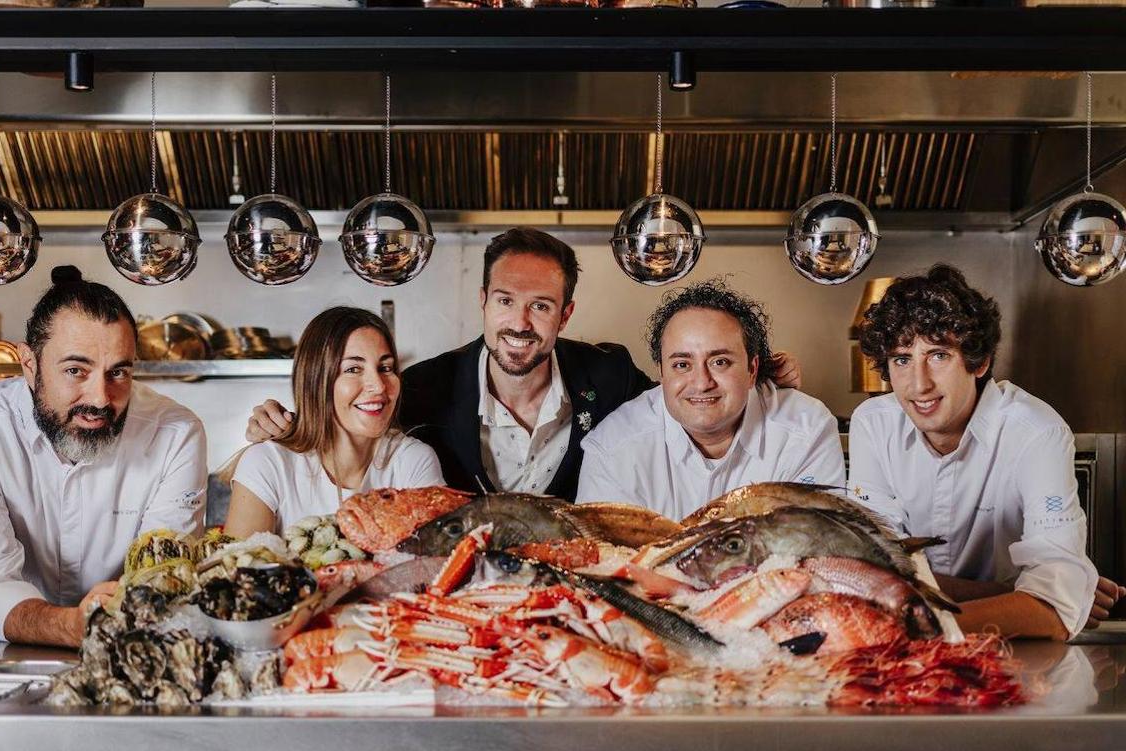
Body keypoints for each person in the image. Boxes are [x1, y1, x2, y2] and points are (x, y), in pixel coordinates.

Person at [245, 227, 803, 500]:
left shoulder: (607, 376)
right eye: (506, 301)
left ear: (565, 314)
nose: (520, 322)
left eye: (540, 306)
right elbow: (353, 424)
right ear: (483, 302)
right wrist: (289, 425)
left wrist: (759, 382)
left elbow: (690, 396)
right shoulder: (423, 387)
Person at [0, 266, 207, 646]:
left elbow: (160, 574)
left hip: (126, 644)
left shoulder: (175, 433)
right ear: (29, 364)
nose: (99, 399)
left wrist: (103, 620)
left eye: (118, 373)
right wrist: (74, 624)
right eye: (76, 370)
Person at [849, 264, 1121, 639]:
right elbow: (871, 575)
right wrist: (1021, 598)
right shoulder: (873, 425)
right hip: (958, 641)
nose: (919, 384)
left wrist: (923, 627)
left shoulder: (1037, 431)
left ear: (978, 362)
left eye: (939, 355)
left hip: (1015, 653)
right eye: (901, 359)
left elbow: (1054, 613)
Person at [575, 279, 844, 520]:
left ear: (752, 370)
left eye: (720, 362)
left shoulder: (807, 431)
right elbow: (605, 563)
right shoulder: (612, 449)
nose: (702, 383)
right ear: (661, 373)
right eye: (682, 364)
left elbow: (815, 550)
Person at [223, 307, 444, 539]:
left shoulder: (413, 461)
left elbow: (433, 563)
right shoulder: (269, 463)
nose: (378, 386)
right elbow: (238, 568)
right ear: (317, 380)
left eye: (385, 368)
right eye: (353, 369)